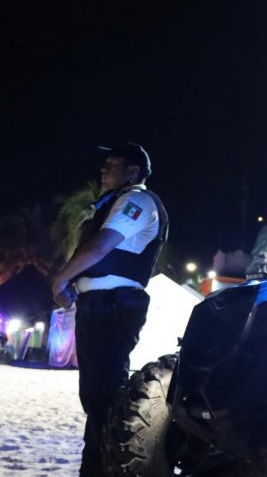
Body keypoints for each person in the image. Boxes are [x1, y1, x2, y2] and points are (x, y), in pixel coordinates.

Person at [51, 143, 169, 477]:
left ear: (134, 171)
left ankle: (99, 468)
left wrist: (61, 279)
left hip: (115, 305)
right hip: (96, 304)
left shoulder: (137, 201)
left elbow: (101, 245)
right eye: (104, 163)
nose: (104, 169)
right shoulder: (112, 203)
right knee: (94, 396)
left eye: (113, 163)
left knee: (104, 396)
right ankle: (97, 466)